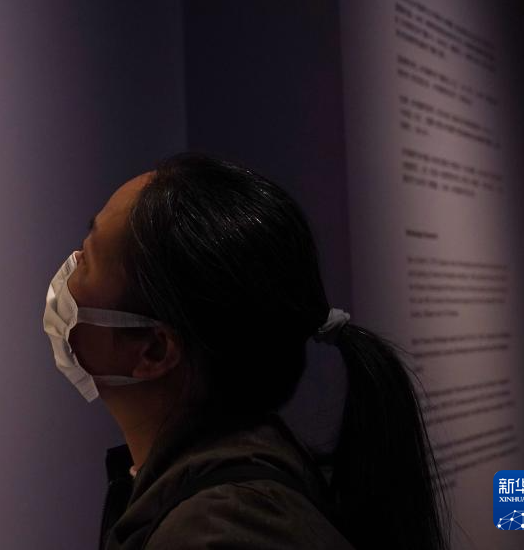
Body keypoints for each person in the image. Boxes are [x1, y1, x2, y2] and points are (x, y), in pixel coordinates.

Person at [43, 152, 451, 550]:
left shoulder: (217, 531)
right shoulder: (230, 487)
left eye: (87, 259)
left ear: (153, 350)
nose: (69, 268)